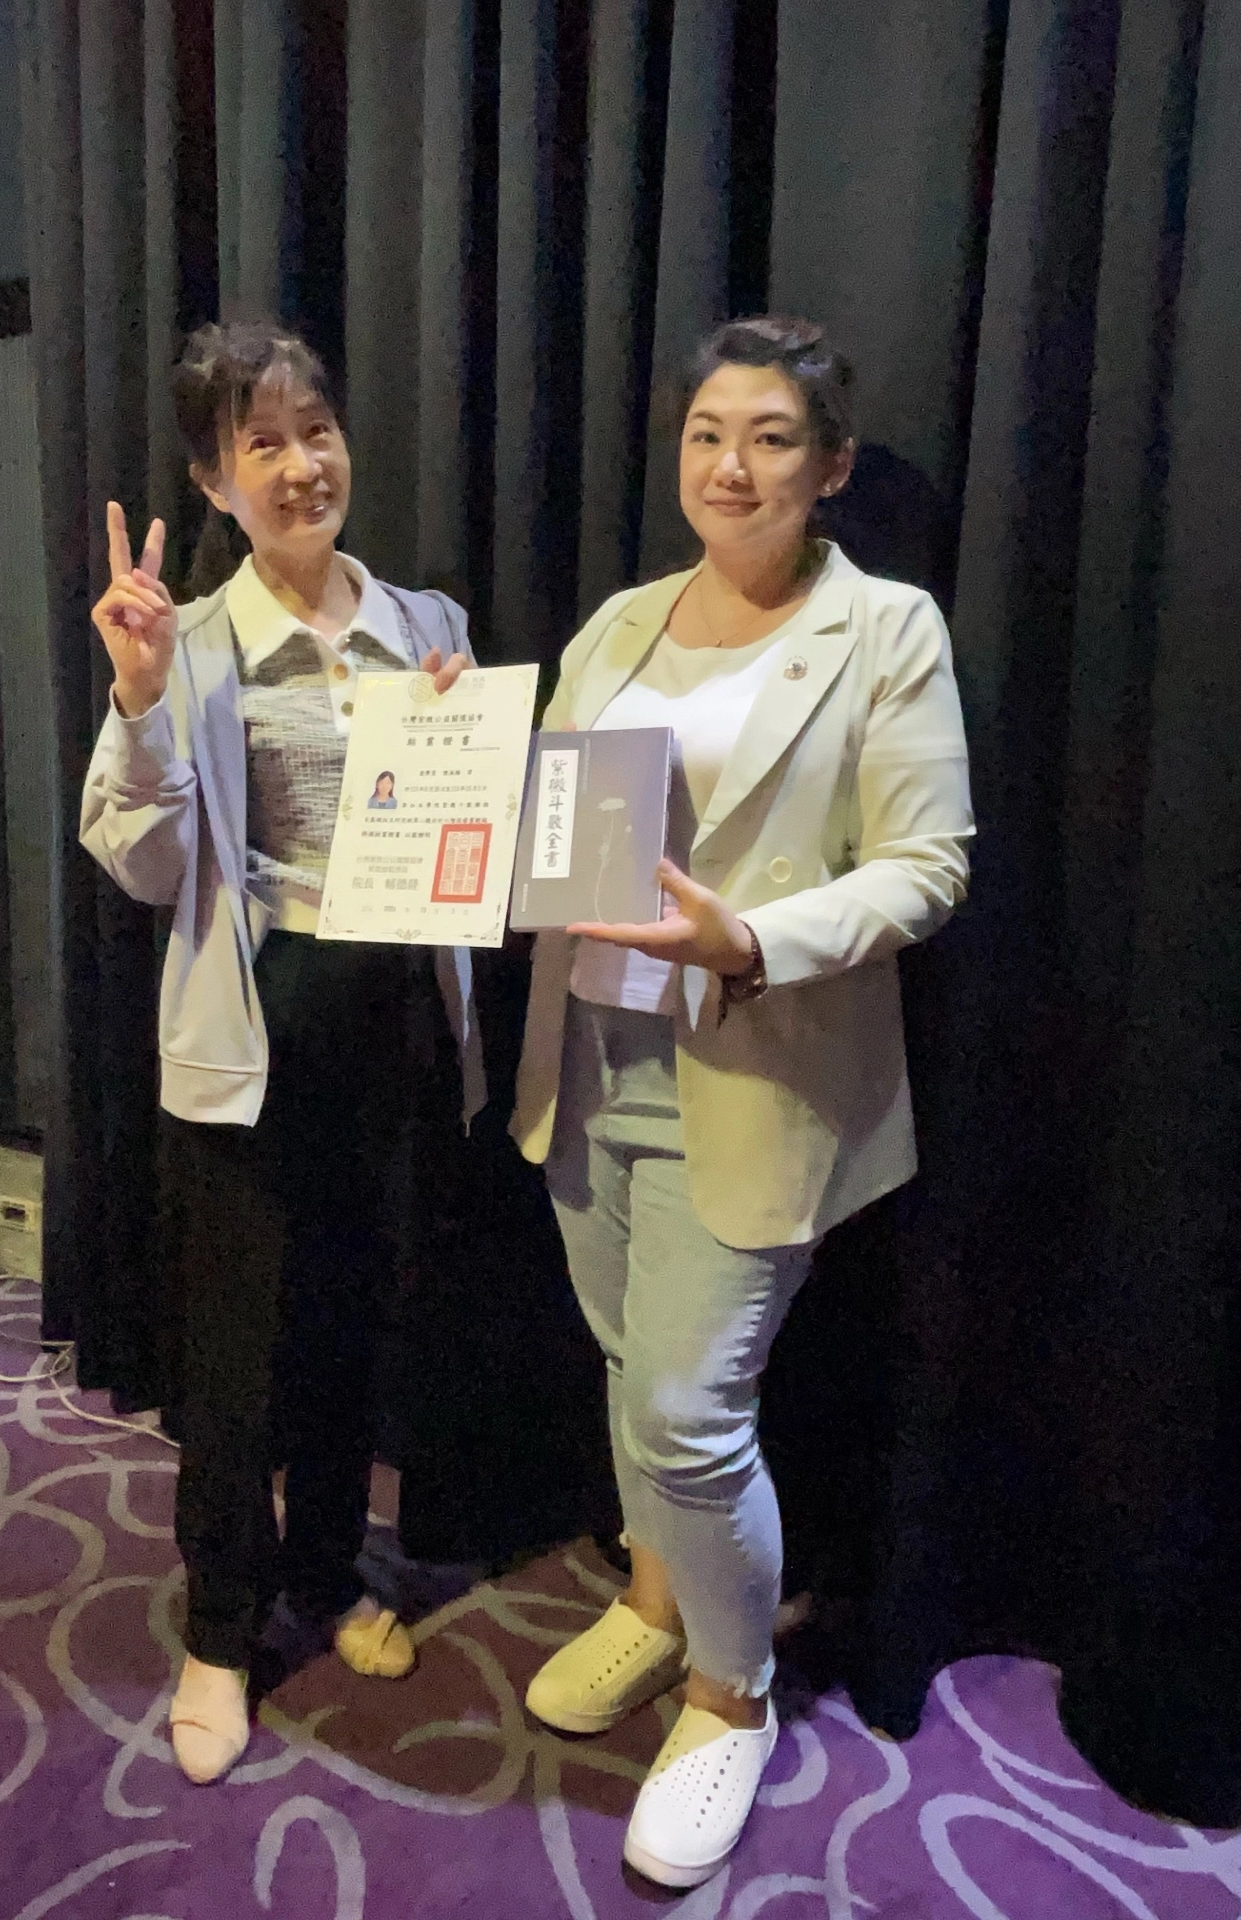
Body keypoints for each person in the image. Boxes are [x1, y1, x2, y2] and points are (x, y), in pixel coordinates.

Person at [514, 315, 973, 1887]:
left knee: (687, 1411)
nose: (733, 464)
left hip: (755, 1068)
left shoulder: (886, 628)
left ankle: (731, 1690)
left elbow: (930, 865)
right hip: (590, 1061)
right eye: (710, 433)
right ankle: (656, 1603)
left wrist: (753, 940)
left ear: (829, 467)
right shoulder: (619, 625)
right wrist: (449, 749)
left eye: (772, 437)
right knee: (625, 1359)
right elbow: (552, 821)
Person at [81, 319, 481, 1785]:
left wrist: (473, 759)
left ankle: (326, 1570)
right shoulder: (184, 641)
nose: (302, 464)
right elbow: (139, 863)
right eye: (264, 443)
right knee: (236, 1356)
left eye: (318, 431)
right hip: (253, 1035)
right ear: (215, 479)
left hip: (390, 1027)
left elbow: (469, 840)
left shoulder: (426, 624)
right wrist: (138, 698)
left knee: (351, 1325)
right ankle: (219, 1631)